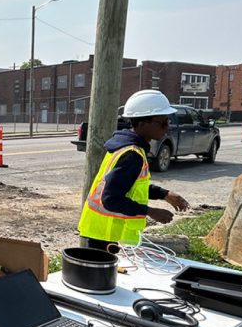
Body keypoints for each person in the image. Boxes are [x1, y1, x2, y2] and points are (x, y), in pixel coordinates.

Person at [78, 89, 190, 250]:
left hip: (105, 234)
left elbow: (131, 186)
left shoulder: (129, 148)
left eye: (168, 121)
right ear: (142, 123)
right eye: (162, 122)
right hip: (107, 237)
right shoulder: (132, 154)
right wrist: (151, 211)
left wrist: (164, 194)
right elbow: (111, 199)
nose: (167, 127)